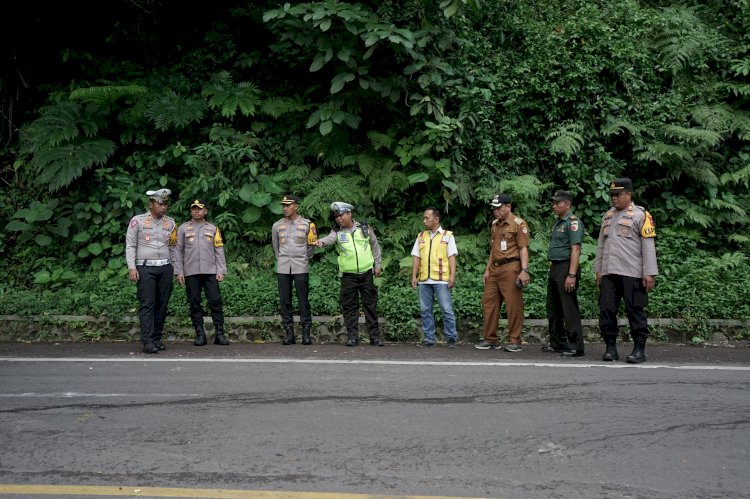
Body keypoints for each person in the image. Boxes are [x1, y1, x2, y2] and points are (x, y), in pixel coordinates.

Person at [595, 178, 658, 363]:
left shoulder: (641, 215)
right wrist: (598, 270)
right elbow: (601, 245)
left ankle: (639, 349)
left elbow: (648, 246)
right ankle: (610, 348)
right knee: (606, 310)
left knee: (635, 311)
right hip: (609, 272)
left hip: (632, 272)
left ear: (629, 194)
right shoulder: (607, 216)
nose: (614, 199)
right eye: (612, 195)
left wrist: (649, 272)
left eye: (618, 195)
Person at [315, 202, 383, 347]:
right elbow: (329, 239)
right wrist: (321, 242)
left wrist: (378, 265)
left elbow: (375, 246)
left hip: (366, 274)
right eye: (336, 216)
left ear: (349, 214)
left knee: (370, 306)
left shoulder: (364, 228)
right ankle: (352, 337)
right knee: (349, 307)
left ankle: (375, 338)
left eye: (341, 215)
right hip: (348, 276)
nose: (338, 218)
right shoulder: (337, 232)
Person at [475, 194, 530, 352]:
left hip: (511, 267)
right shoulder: (494, 224)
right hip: (494, 268)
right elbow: (494, 248)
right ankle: (490, 338)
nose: (496, 211)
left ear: (508, 207)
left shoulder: (518, 224)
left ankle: (514, 340)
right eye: (494, 208)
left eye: (499, 207)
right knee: (489, 303)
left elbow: (523, 248)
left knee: (513, 305)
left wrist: (524, 270)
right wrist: (487, 269)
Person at [125, 188, 177, 354]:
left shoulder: (171, 223)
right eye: (160, 204)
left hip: (165, 267)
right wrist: (132, 267)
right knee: (147, 304)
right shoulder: (138, 221)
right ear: (151, 204)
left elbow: (174, 247)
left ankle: (156, 338)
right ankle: (147, 341)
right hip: (145, 267)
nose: (163, 207)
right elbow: (130, 245)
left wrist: (177, 269)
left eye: (165, 204)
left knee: (162, 304)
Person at [173, 198, 229, 347]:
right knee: (194, 303)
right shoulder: (183, 229)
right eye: (194, 208)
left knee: (215, 302)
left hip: (210, 271)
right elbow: (177, 251)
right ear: (191, 211)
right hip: (191, 272)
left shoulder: (213, 228)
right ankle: (200, 335)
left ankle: (219, 334)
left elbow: (219, 250)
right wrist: (179, 271)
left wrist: (221, 270)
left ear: (205, 211)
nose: (196, 211)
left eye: (199, 208)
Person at [271, 195, 317, 345]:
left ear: (296, 206)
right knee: (285, 300)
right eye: (283, 205)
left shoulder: (307, 224)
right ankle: (289, 333)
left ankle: (306, 333)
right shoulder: (277, 225)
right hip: (284, 266)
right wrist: (282, 259)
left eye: (288, 205)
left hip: (301, 266)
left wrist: (303, 258)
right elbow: (276, 247)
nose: (285, 208)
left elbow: (311, 247)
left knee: (303, 300)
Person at [410, 208, 458, 348]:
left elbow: (452, 257)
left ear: (436, 219)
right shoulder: (421, 236)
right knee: (425, 310)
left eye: (427, 218)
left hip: (442, 279)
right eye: (424, 218)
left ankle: (451, 338)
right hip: (424, 279)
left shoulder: (447, 236)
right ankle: (429, 339)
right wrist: (414, 275)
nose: (424, 221)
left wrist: (452, 276)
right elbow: (416, 257)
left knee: (446, 309)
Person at [545, 190, 585, 357]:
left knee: (568, 307)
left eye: (558, 203)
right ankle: (557, 342)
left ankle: (576, 345)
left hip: (566, 267)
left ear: (567, 204)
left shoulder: (573, 222)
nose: (554, 206)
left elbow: (575, 249)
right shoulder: (558, 223)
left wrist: (571, 275)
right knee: (553, 307)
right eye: (553, 203)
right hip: (555, 267)